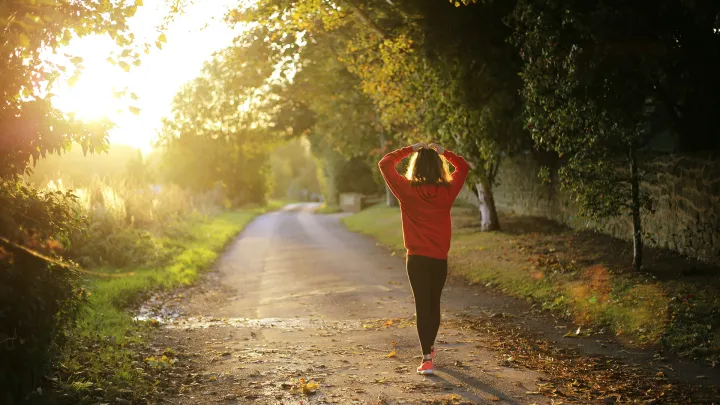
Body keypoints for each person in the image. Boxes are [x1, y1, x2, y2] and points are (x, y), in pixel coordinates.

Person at [378, 142, 470, 375]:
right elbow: (464, 167)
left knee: (422, 305)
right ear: (439, 168)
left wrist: (410, 149)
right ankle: (429, 347)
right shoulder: (447, 191)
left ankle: (427, 357)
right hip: (439, 258)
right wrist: (444, 152)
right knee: (434, 304)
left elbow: (385, 163)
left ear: (415, 167)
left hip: (416, 259)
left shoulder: (406, 189)